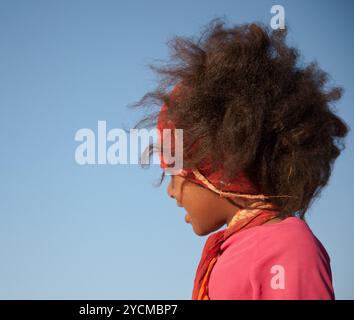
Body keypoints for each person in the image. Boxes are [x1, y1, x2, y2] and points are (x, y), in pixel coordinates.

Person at [134, 20, 349, 299]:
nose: (171, 190)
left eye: (174, 171)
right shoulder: (233, 249)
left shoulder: (287, 248)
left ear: (218, 168)